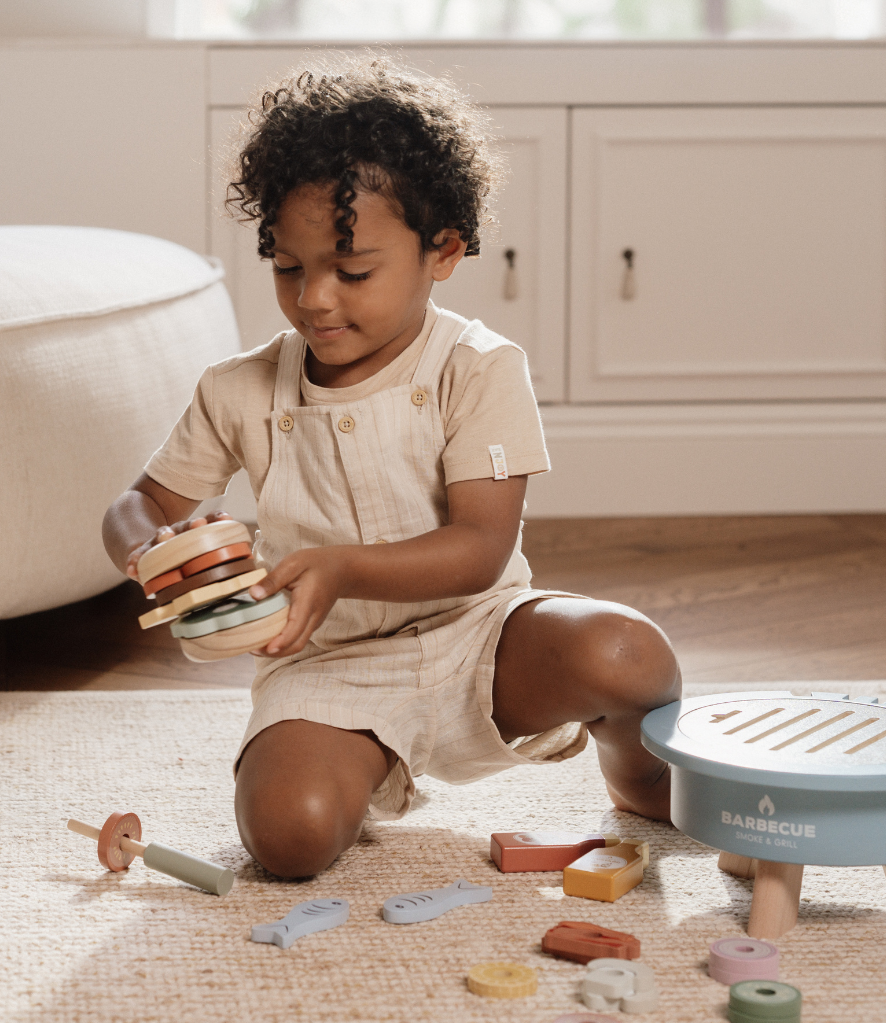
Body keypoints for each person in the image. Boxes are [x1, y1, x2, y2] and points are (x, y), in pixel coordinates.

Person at [102, 55, 680, 879]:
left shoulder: (477, 368)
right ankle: (355, 763)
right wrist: (151, 555)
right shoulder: (240, 388)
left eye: (354, 271)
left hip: (481, 637)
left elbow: (480, 548)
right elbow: (138, 502)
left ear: (442, 251)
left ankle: (638, 772)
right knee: (288, 840)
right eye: (288, 268)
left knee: (628, 655)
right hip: (326, 668)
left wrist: (337, 568)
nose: (315, 300)